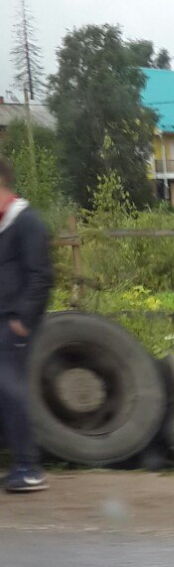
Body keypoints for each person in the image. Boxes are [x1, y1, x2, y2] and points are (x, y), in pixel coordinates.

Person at [0, 156, 54, 493]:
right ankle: (19, 464)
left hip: (14, 324)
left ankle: (29, 467)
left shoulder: (27, 222)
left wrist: (23, 321)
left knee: (12, 392)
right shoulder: (4, 224)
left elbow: (42, 276)